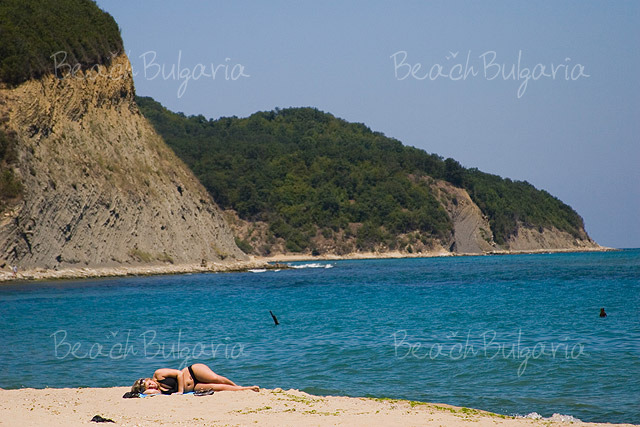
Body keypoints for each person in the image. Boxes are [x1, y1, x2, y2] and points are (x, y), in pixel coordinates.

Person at [130, 363, 259, 395]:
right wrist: (143, 391)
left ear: (149, 379)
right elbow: (149, 394)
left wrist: (180, 391)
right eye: (148, 387)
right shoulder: (158, 392)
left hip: (192, 372)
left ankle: (238, 385)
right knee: (218, 388)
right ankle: (245, 389)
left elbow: (179, 374)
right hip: (192, 387)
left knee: (216, 379)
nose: (151, 385)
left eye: (149, 383)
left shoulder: (158, 374)